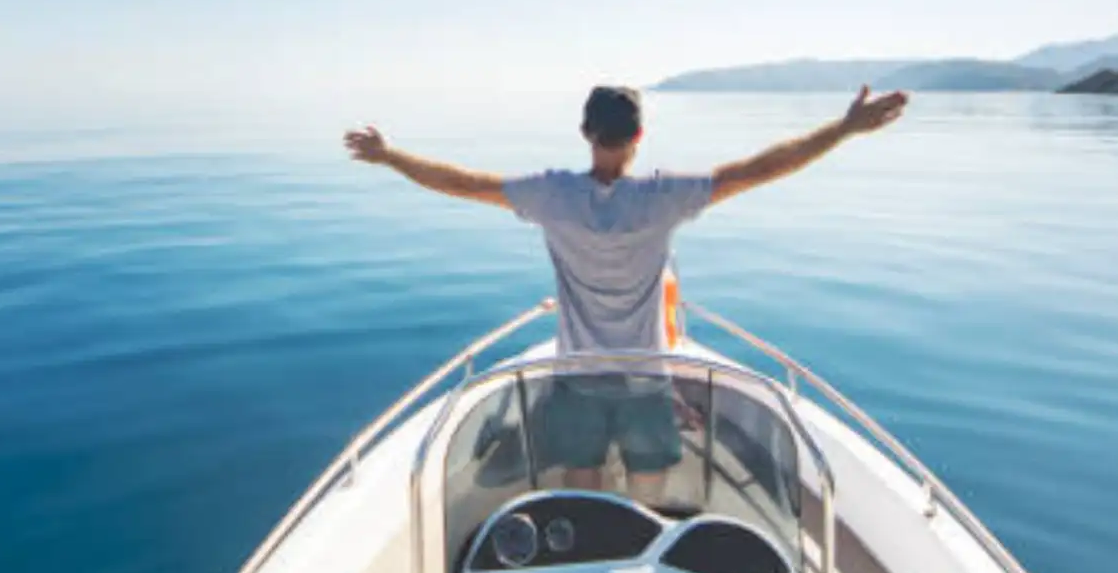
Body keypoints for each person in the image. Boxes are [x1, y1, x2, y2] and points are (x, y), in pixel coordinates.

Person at [344, 83, 907, 497]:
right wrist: (842, 128)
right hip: (646, 379)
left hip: (578, 377)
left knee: (583, 482)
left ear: (587, 134)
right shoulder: (664, 198)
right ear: (639, 137)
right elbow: (759, 170)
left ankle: (593, 545)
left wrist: (390, 155)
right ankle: (643, 556)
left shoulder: (550, 196)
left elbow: (462, 183)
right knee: (648, 489)